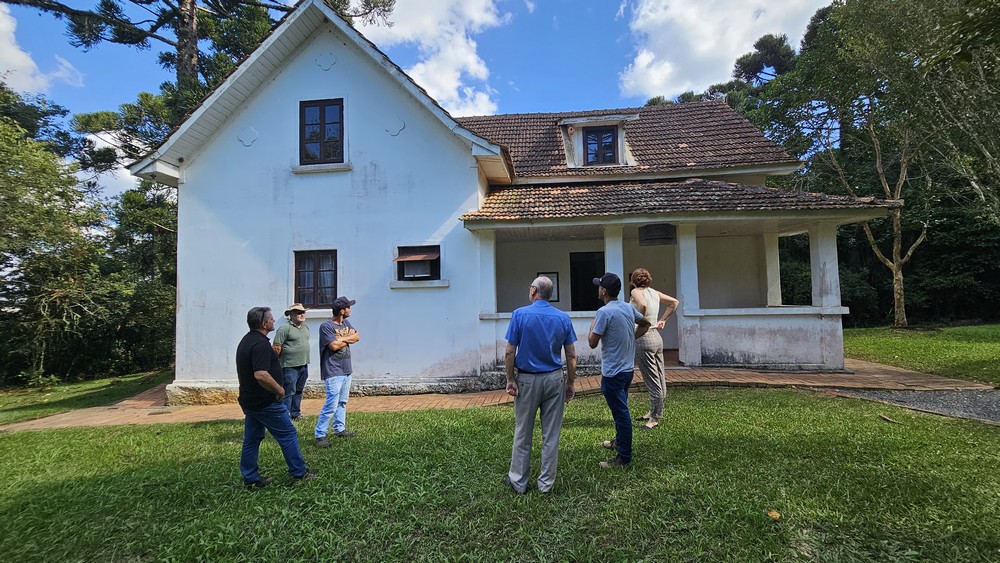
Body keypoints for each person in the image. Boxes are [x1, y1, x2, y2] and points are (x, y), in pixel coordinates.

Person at [503, 276, 578, 495]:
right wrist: (570, 383)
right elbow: (571, 355)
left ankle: (518, 481)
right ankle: (545, 485)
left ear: (534, 291)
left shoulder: (519, 315)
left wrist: (510, 378)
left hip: (526, 380)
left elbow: (509, 351)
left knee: (523, 432)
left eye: (530, 288)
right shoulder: (563, 318)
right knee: (551, 435)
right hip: (554, 379)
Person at [236, 306, 317, 488]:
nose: (274, 321)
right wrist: (279, 391)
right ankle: (300, 472)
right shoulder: (260, 344)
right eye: (271, 319)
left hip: (250, 401)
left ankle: (250, 478)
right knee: (288, 434)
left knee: (252, 439)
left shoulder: (247, 340)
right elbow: (261, 375)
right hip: (265, 402)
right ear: (264, 323)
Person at [588, 272, 651, 468]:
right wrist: (632, 336)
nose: (598, 289)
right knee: (619, 409)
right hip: (626, 370)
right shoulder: (627, 307)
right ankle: (619, 441)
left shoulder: (604, 312)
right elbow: (646, 323)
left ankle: (624, 457)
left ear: (604, 291)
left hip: (613, 372)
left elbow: (592, 342)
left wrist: (594, 321)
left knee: (621, 413)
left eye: (600, 286)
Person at [629, 268, 680, 431]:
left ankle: (654, 418)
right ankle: (653, 411)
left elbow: (642, 305)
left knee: (652, 379)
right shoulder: (654, 293)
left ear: (633, 281)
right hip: (656, 337)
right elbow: (674, 302)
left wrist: (641, 322)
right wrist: (663, 320)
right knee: (659, 376)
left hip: (644, 337)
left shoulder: (636, 292)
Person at [314, 296, 360, 447]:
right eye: (348, 307)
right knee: (331, 404)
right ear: (342, 311)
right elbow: (333, 346)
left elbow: (357, 336)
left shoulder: (345, 323)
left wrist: (342, 339)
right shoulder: (326, 326)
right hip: (333, 370)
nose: (350, 309)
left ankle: (339, 429)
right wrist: (348, 337)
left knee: (342, 402)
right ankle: (320, 434)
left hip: (346, 369)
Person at [273, 303, 310, 420]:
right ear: (292, 315)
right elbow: (276, 347)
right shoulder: (284, 328)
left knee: (298, 391)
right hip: (289, 366)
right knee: (288, 392)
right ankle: (285, 416)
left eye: (303, 312)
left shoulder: (305, 327)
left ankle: (295, 413)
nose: (302, 314)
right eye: (299, 313)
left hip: (303, 365)